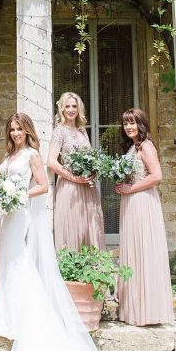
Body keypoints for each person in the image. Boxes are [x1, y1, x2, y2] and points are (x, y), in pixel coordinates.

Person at [0, 113, 113, 351]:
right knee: (8, 265)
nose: (16, 132)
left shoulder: (33, 154)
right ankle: (7, 318)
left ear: (28, 131)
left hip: (20, 213)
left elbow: (43, 186)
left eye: (20, 128)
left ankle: (23, 319)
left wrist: (16, 193)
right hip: (7, 216)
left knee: (20, 266)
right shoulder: (10, 155)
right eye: (12, 129)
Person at [115, 108, 174, 326]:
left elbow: (157, 176)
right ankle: (135, 308)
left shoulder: (147, 146)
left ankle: (148, 310)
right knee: (133, 250)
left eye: (132, 123)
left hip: (142, 201)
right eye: (125, 123)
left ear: (141, 124)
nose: (128, 127)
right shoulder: (133, 147)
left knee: (144, 250)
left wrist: (131, 188)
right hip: (131, 201)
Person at [47, 92, 105, 251]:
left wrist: (93, 170)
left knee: (88, 225)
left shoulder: (82, 130)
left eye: (74, 106)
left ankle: (91, 269)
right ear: (62, 109)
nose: (71, 109)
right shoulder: (59, 131)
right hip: (70, 186)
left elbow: (90, 156)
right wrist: (74, 178)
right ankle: (71, 269)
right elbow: (51, 162)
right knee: (73, 226)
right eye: (67, 106)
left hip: (88, 187)